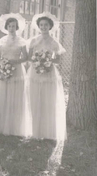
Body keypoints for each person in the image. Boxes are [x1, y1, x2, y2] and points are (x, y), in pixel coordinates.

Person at [28, 12, 66, 141]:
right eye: (41, 25)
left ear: (50, 26)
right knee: (35, 100)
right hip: (36, 72)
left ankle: (49, 132)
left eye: (46, 25)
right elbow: (29, 57)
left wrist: (47, 61)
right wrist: (38, 60)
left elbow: (58, 60)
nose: (43, 27)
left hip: (49, 73)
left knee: (48, 101)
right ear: (38, 26)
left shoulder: (54, 42)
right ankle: (36, 132)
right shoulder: (33, 40)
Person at [0, 13, 31, 137]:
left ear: (17, 27)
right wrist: (2, 65)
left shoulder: (22, 41)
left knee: (15, 97)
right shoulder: (1, 40)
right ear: (6, 27)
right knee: (4, 96)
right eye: (9, 26)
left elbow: (26, 57)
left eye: (14, 26)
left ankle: (15, 126)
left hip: (16, 70)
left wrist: (15, 62)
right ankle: (2, 124)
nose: (11, 28)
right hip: (4, 69)